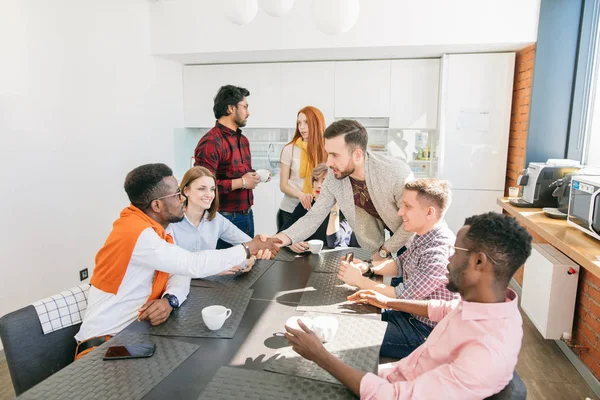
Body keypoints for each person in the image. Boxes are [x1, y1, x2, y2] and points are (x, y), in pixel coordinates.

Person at [284, 212, 532, 399]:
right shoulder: (489, 306)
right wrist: (388, 301)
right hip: (399, 374)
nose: (449, 258)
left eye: (456, 251)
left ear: (479, 261)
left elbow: (394, 397)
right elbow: (444, 308)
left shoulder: (486, 352)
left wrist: (319, 356)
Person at [75, 163, 280, 359]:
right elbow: (192, 264)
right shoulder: (137, 234)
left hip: (137, 334)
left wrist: (169, 301)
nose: (181, 199)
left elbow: (179, 272)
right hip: (104, 346)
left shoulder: (158, 229)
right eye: (176, 195)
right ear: (157, 204)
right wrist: (247, 249)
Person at [337, 178, 455, 358]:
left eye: (407, 206)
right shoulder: (425, 235)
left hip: (425, 332)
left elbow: (401, 296)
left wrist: (358, 280)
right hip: (407, 316)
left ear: (429, 212)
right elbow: (399, 264)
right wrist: (368, 268)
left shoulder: (438, 252)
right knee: (350, 320)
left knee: (350, 336)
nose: (400, 212)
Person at [274, 119, 414, 261]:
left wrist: (384, 251)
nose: (328, 162)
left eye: (335, 155)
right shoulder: (334, 176)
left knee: (408, 279)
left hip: (415, 237)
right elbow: (314, 216)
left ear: (357, 155)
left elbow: (413, 221)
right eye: (328, 154)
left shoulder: (395, 174)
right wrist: (275, 240)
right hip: (381, 242)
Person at [194, 85, 261, 248]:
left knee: (247, 266)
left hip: (247, 216)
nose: (248, 112)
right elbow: (202, 187)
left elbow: (239, 173)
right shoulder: (211, 142)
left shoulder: (243, 140)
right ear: (231, 108)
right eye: (245, 107)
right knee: (225, 271)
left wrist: (252, 177)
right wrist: (242, 183)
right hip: (222, 218)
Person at [166, 166, 258, 272]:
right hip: (177, 283)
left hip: (208, 284)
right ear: (186, 191)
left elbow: (249, 244)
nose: (209, 195)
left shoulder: (216, 220)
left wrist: (252, 259)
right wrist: (214, 270)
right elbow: (171, 265)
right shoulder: (171, 222)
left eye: (212, 189)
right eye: (202, 189)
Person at [281, 163, 357, 252]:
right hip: (308, 259)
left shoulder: (345, 209)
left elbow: (333, 242)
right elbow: (283, 231)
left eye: (324, 181)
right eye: (316, 180)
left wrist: (334, 207)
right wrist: (291, 242)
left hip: (335, 259)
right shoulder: (306, 204)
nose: (318, 185)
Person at [277, 106, 327, 230]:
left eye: (306, 123)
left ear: (317, 124)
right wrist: (300, 195)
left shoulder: (327, 150)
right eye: (299, 123)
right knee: (288, 249)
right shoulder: (290, 149)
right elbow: (283, 185)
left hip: (317, 213)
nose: (302, 127)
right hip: (289, 212)